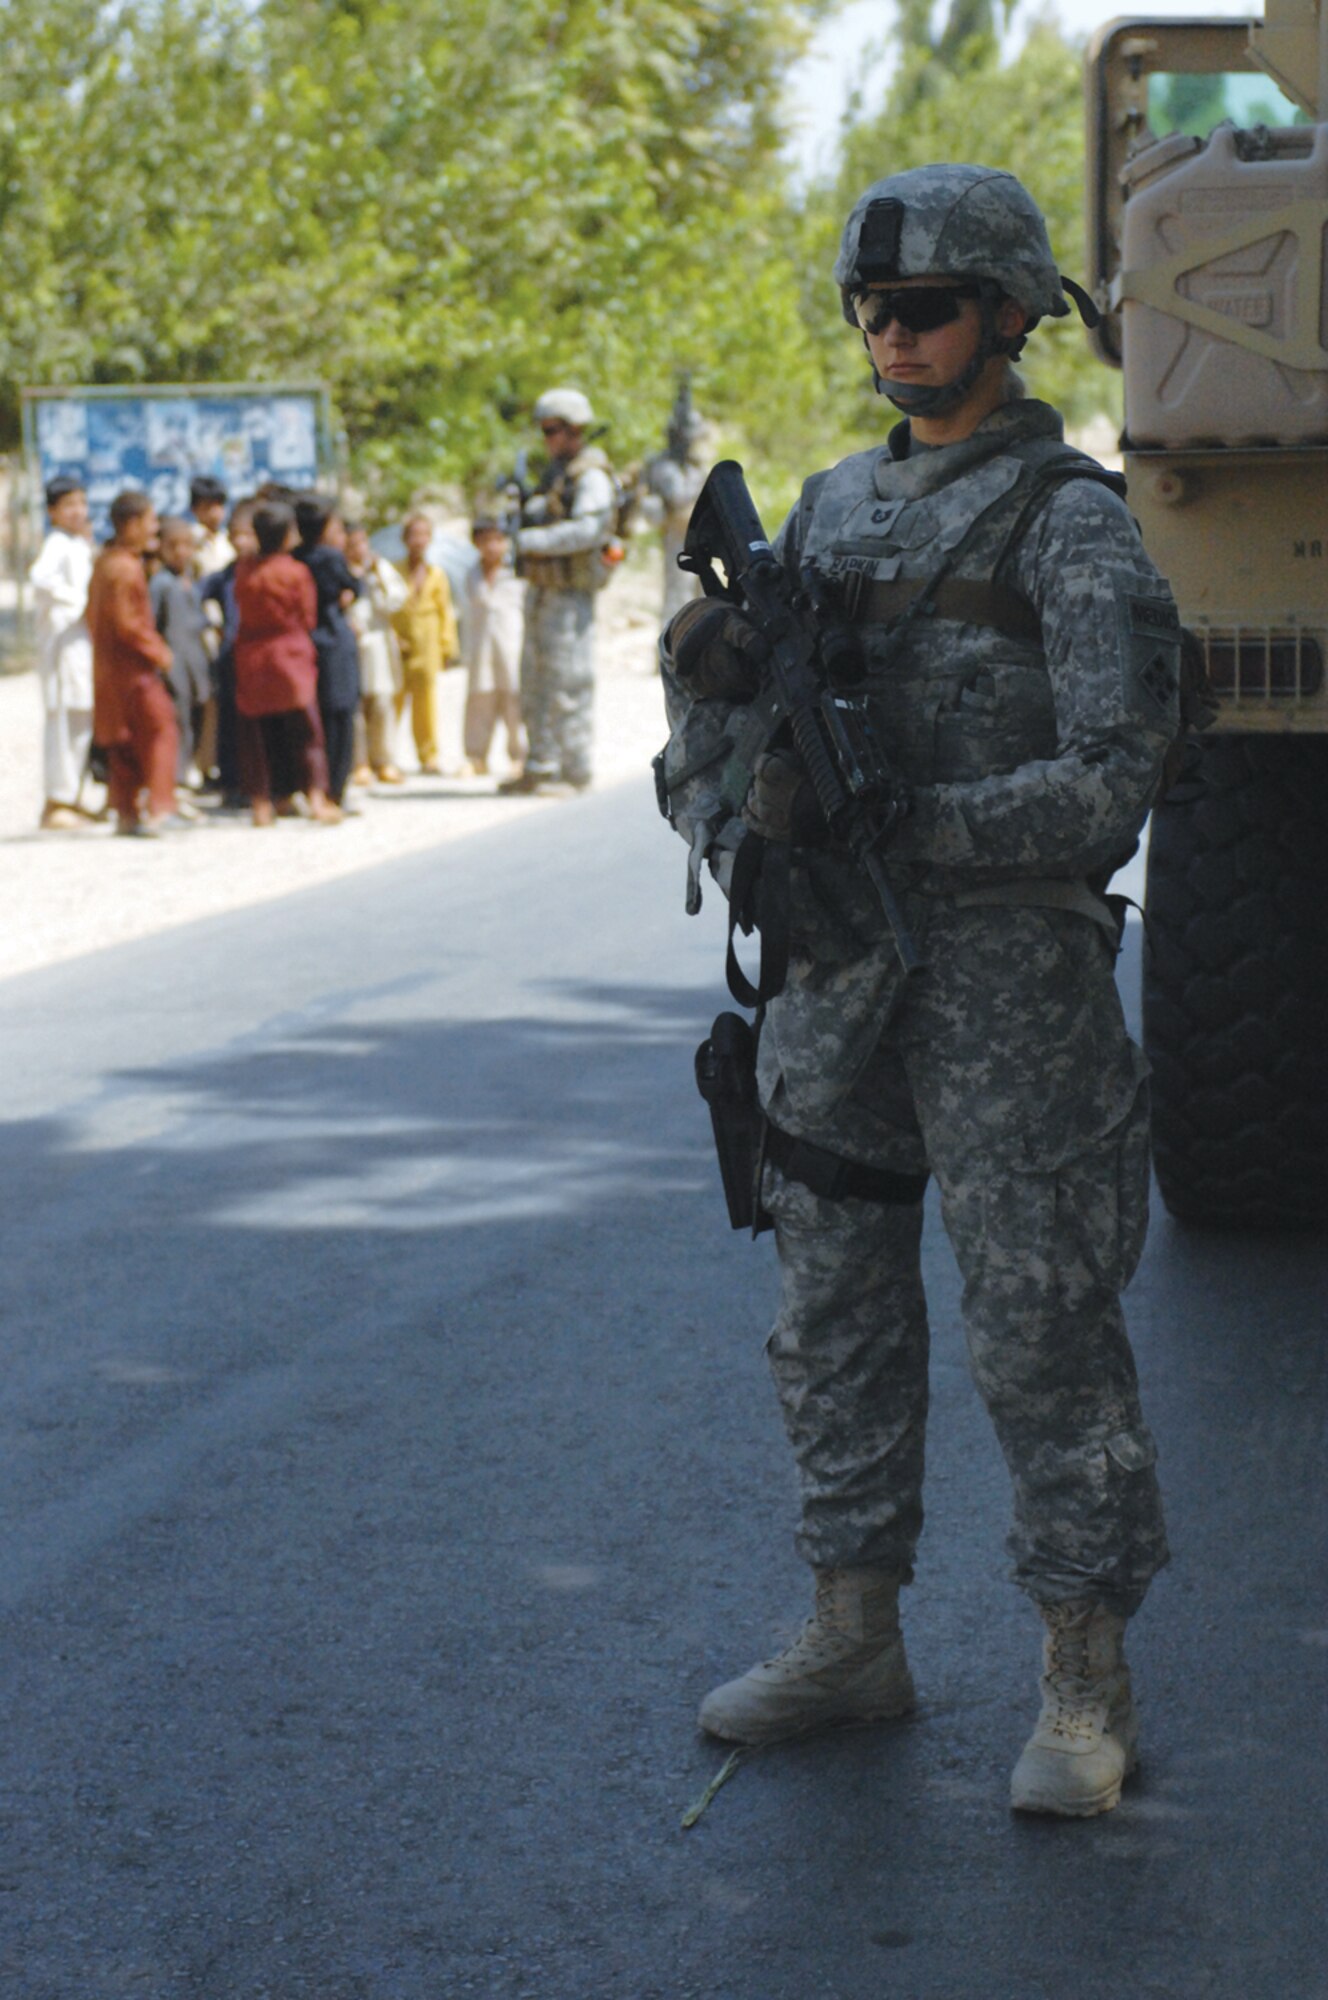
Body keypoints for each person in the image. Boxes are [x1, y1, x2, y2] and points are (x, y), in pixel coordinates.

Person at [657, 165, 1180, 1819]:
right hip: (833, 982)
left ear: (1012, 316)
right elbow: (704, 756)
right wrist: (734, 775)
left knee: (1040, 1333)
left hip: (1008, 992)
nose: (892, 332)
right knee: (830, 1322)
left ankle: (1082, 1687)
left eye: (927, 306)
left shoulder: (1071, 525)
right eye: (870, 309)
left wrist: (925, 823)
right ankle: (848, 1636)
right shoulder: (811, 518)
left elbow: (1113, 777)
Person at [498, 387, 616, 795]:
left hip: (569, 594)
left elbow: (590, 530)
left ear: (573, 430)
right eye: (544, 430)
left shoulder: (592, 476)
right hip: (542, 589)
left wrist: (529, 541)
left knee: (569, 680)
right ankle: (540, 763)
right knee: (534, 679)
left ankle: (575, 768)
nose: (545, 438)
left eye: (551, 430)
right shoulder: (557, 473)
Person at [234, 499, 337, 826]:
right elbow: (307, 616)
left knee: (260, 735)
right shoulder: (295, 572)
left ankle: (262, 803)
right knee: (307, 732)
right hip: (290, 652)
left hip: (252, 653)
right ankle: (317, 798)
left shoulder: (245, 570)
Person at [86, 489, 180, 836]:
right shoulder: (125, 568)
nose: (154, 528)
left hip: (107, 668)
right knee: (161, 729)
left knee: (123, 741)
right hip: (132, 670)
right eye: (150, 521)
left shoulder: (104, 562)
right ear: (132, 524)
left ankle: (126, 812)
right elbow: (129, 624)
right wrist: (159, 653)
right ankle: (159, 806)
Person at [28, 477, 95, 829]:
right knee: (64, 724)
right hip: (63, 647)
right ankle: (57, 800)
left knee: (81, 722)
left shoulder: (78, 544)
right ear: (53, 512)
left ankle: (73, 796)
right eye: (69, 505)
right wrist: (78, 604)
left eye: (81, 503)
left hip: (80, 647)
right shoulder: (56, 544)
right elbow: (40, 578)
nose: (77, 511)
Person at [294, 494, 361, 807]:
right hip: (334, 641)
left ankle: (313, 786)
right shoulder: (330, 558)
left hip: (306, 642)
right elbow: (354, 587)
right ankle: (336, 788)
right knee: (341, 718)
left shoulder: (293, 556)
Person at [200, 500, 259, 807]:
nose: (240, 542)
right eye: (234, 535)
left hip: (258, 660)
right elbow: (196, 596)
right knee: (229, 724)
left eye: (247, 534)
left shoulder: (265, 571)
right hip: (230, 658)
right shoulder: (224, 575)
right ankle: (232, 783)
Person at [390, 514, 459, 776]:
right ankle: (384, 755)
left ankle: (428, 755)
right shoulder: (394, 572)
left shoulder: (437, 574)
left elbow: (445, 612)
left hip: (427, 644)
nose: (419, 541)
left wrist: (447, 646)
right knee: (393, 700)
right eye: (414, 535)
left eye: (424, 535)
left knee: (426, 702)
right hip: (400, 642)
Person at [640, 384, 710, 625]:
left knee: (704, 599)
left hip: (700, 538)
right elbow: (678, 497)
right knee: (678, 600)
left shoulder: (691, 465)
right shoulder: (665, 466)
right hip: (678, 537)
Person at [461, 514, 526, 777]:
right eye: (486, 541)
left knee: (514, 699)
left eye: (498, 540)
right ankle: (476, 756)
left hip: (511, 645)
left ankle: (519, 756)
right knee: (480, 700)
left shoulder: (516, 572)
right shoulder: (471, 574)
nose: (492, 547)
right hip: (481, 648)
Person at [151, 516, 212, 789]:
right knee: (179, 724)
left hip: (194, 664)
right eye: (173, 546)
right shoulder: (161, 583)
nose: (181, 552)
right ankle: (173, 781)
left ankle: (185, 775)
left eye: (187, 545)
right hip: (175, 666)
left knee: (194, 722)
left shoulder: (189, 579)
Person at [345, 522, 408, 783]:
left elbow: (396, 599)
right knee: (357, 707)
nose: (359, 548)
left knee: (382, 703)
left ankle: (384, 760)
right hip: (355, 644)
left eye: (362, 542)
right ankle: (359, 762)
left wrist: (376, 577)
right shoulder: (343, 571)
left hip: (379, 643)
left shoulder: (380, 568)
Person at [189, 475, 235, 578]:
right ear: (194, 509)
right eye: (208, 506)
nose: (215, 512)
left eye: (219, 505)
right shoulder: (188, 538)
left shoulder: (227, 538)